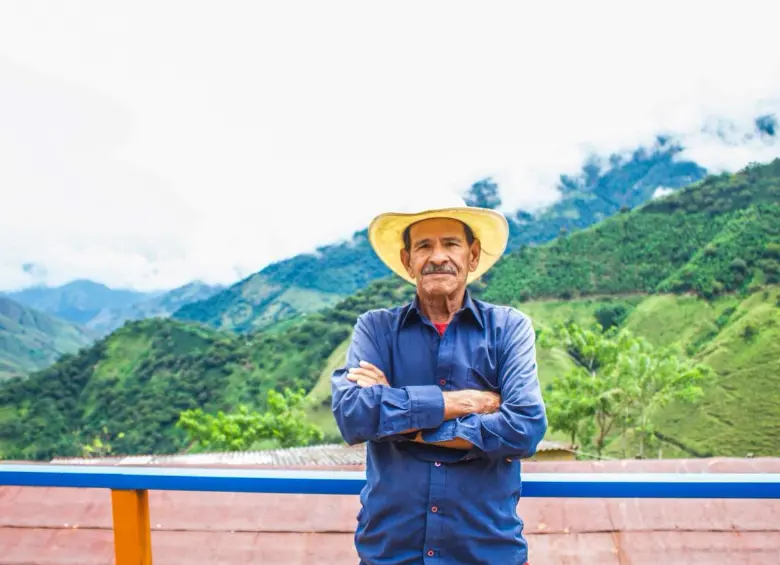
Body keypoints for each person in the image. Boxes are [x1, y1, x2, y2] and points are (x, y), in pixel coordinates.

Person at [331, 195, 548, 565]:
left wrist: (401, 422)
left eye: (451, 244)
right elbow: (354, 415)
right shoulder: (376, 328)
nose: (437, 257)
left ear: (473, 255)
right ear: (407, 260)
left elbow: (525, 427)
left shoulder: (507, 328)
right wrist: (469, 403)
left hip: (486, 550)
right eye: (423, 246)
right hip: (390, 552)